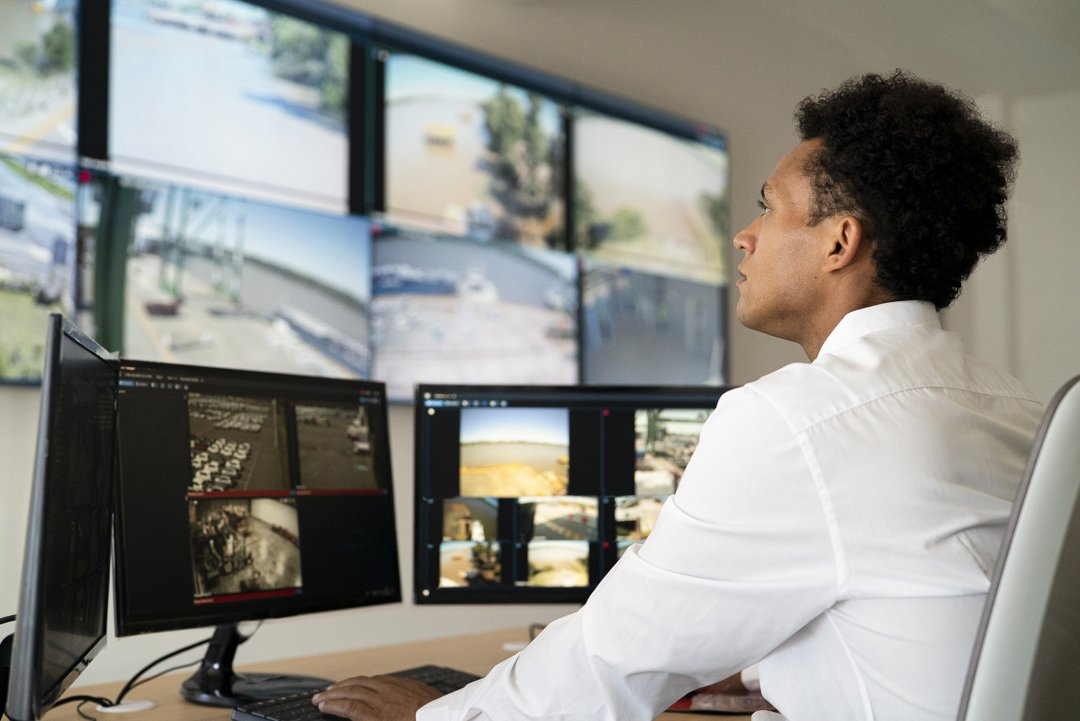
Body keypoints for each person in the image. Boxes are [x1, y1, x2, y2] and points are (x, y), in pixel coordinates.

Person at [312, 71, 1045, 721]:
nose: (742, 235)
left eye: (769, 207)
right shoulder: (1014, 407)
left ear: (839, 242)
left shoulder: (798, 419)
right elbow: (916, 613)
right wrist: (765, 664)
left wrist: (437, 713)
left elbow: (611, 661)